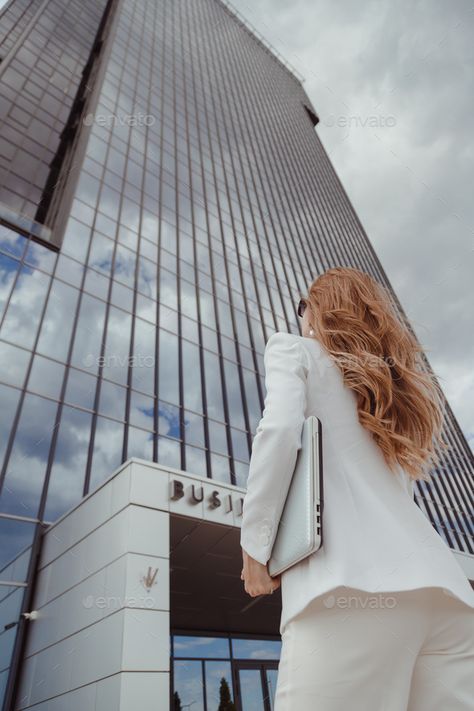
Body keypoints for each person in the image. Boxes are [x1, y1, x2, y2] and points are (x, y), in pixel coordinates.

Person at [239, 266, 474, 710]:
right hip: (446, 602)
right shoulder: (390, 398)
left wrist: (254, 549)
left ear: (316, 310)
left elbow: (279, 431)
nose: (299, 319)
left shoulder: (294, 350)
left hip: (348, 594)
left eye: (301, 308)